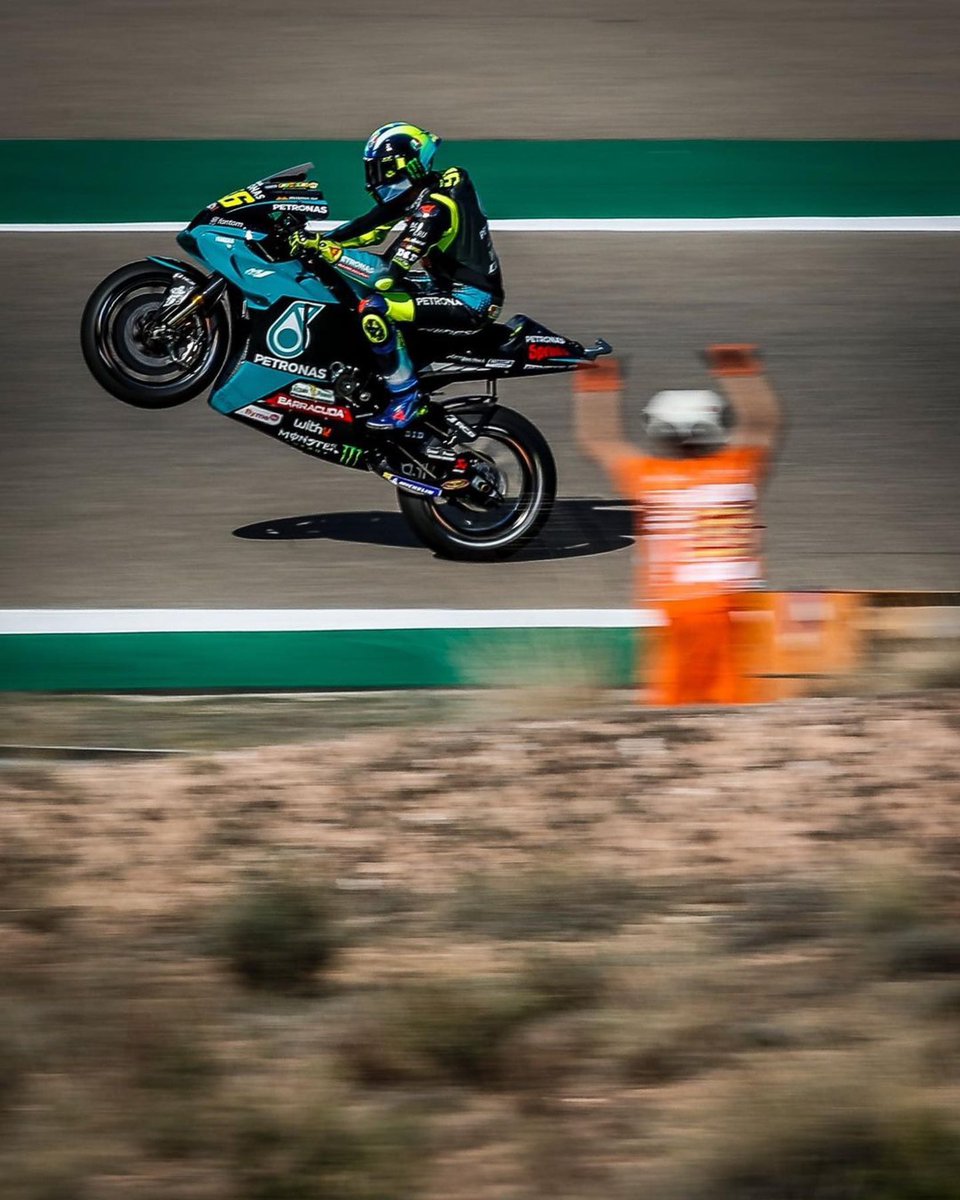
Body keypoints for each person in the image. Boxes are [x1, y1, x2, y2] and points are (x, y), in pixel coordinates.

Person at [574, 347, 783, 705]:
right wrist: (741, 372)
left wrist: (597, 383)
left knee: (672, 704)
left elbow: (598, 440)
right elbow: (763, 422)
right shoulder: (738, 468)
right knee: (733, 698)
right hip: (730, 605)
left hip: (677, 607)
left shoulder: (650, 477)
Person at [288, 122, 503, 430]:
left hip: (471, 301)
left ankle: (405, 396)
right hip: (445, 285)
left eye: (381, 171)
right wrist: (311, 241)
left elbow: (385, 276)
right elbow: (367, 228)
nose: (373, 181)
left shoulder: (435, 210)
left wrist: (327, 250)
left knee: (374, 308)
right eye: (372, 171)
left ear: (408, 166)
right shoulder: (427, 189)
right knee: (350, 285)